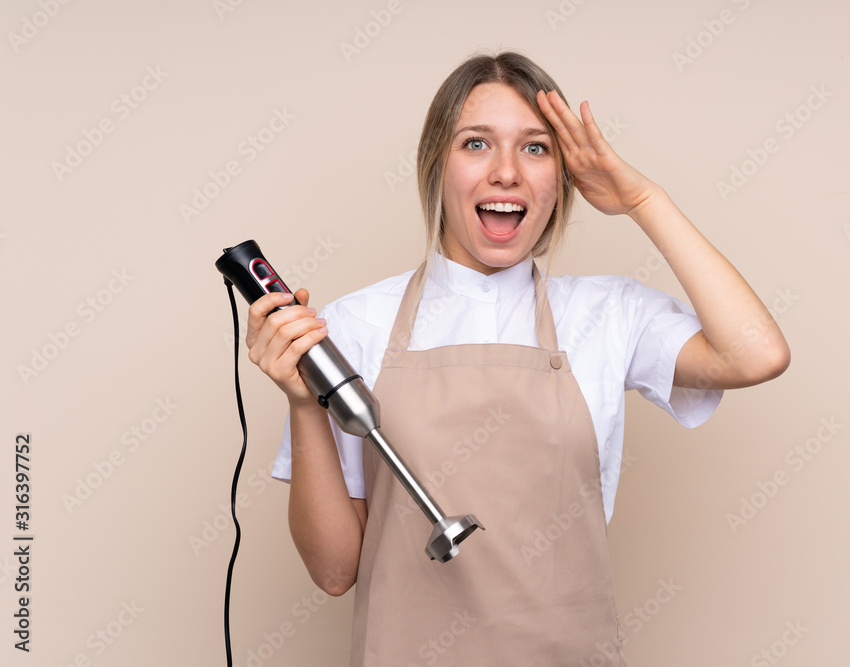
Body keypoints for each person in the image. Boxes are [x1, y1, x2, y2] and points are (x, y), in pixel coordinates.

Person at [246, 50, 790, 666]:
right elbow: (334, 570)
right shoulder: (353, 324)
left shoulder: (608, 314)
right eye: (476, 144)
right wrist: (302, 401)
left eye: (536, 148)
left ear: (563, 178)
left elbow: (757, 354)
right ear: (435, 168)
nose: (506, 172)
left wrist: (643, 199)